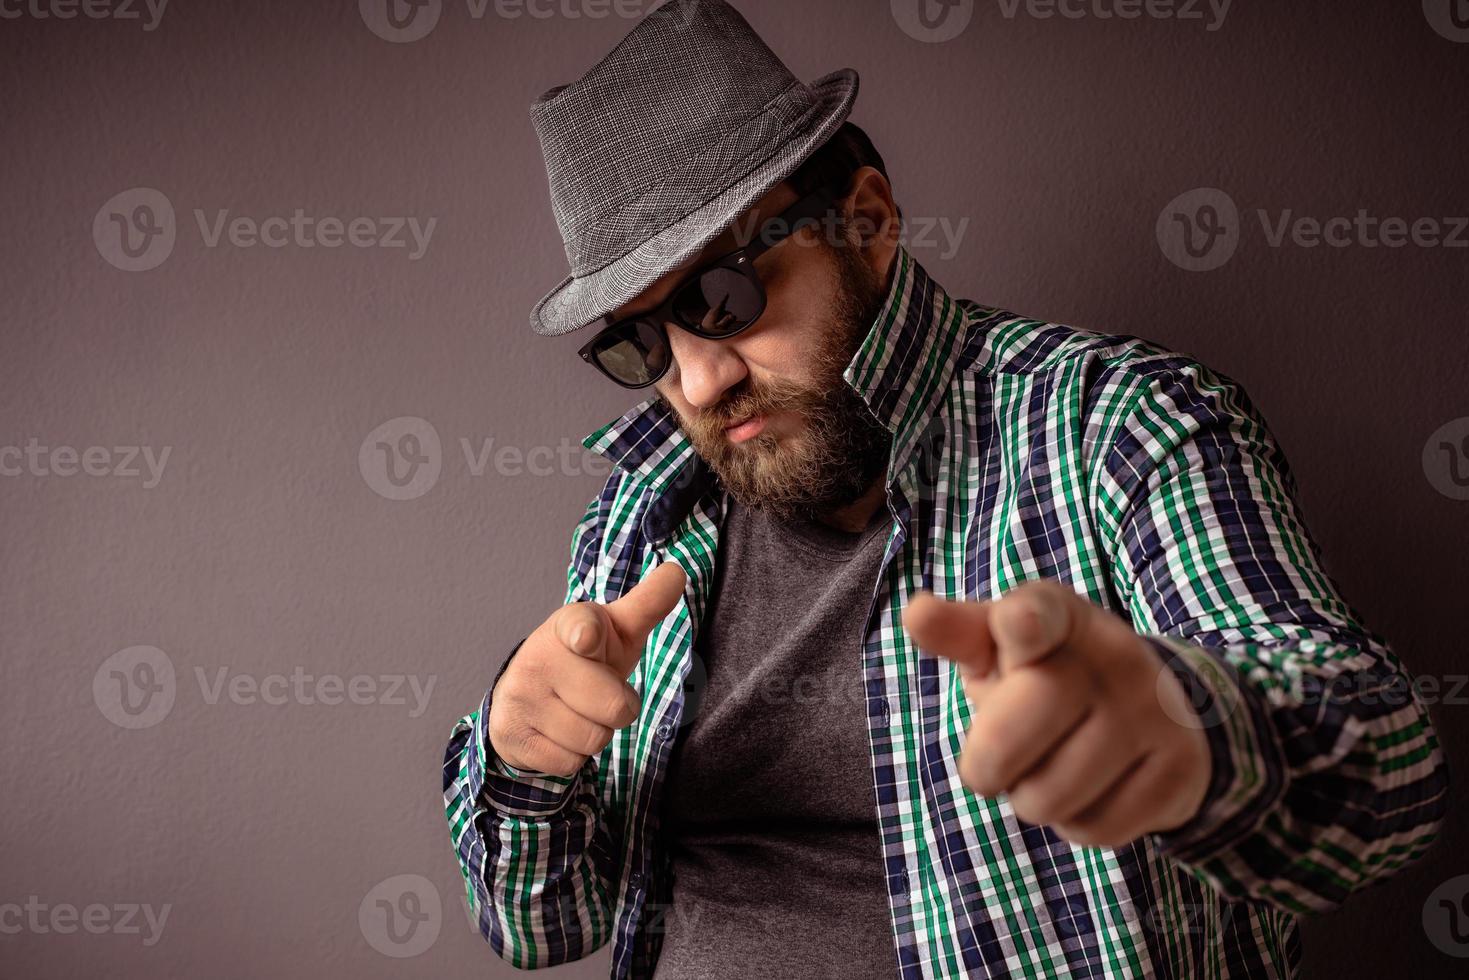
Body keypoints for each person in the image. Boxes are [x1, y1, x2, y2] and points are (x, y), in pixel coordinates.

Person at [441, 2, 1449, 977]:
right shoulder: (636, 518)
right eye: (642, 342)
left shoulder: (1113, 426)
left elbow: (1384, 768)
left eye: (723, 295)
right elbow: (543, 925)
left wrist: (1192, 737)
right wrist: (521, 756)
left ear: (866, 223)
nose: (699, 382)